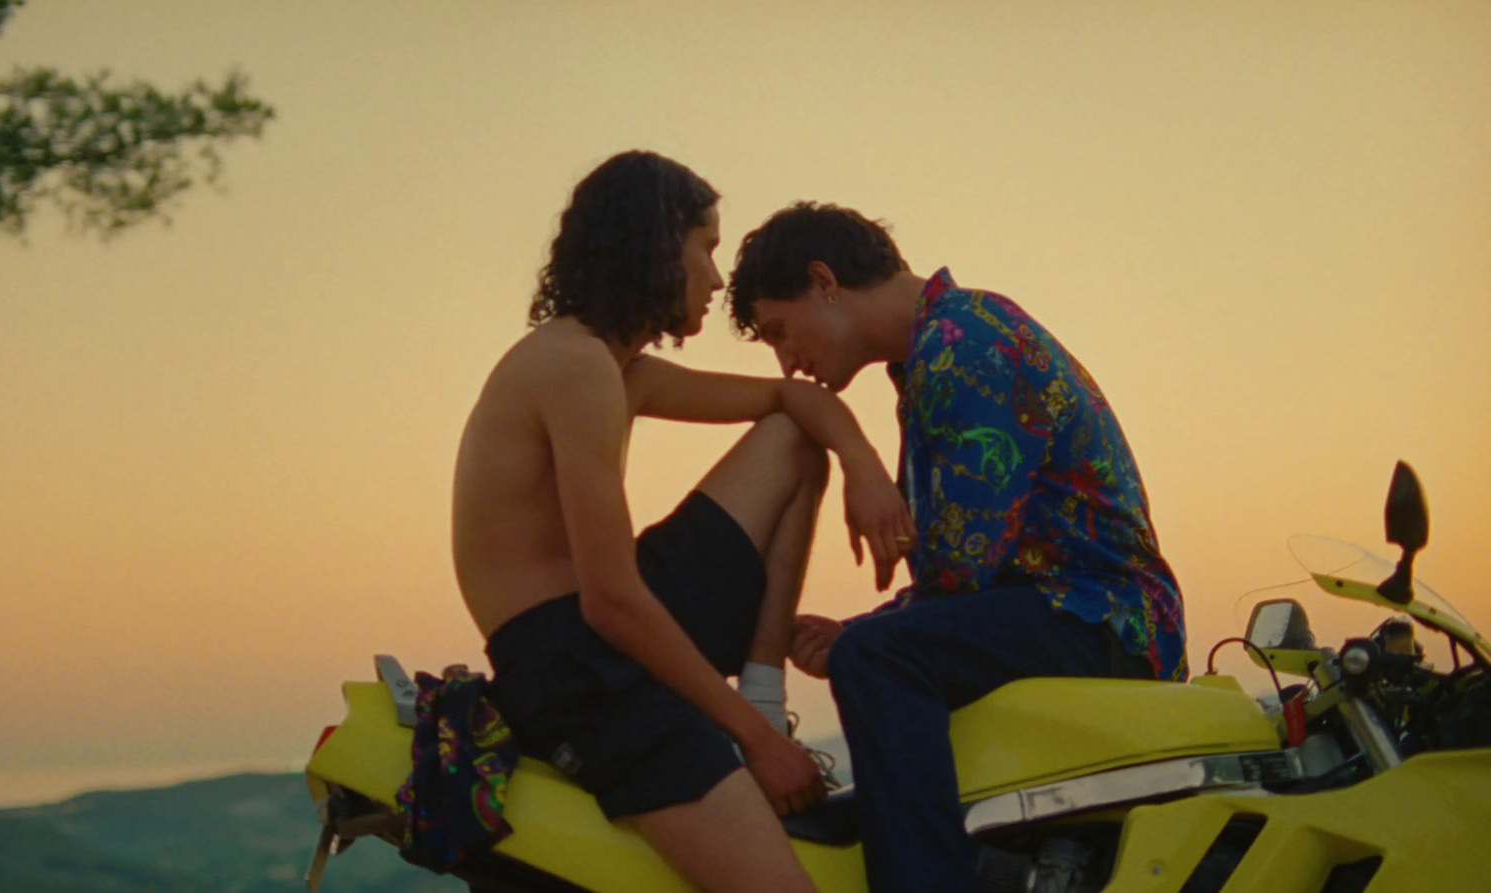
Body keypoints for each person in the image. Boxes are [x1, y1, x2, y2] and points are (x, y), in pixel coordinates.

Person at [452, 155, 910, 893]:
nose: (718, 277)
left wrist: (865, 468)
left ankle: (764, 691)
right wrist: (754, 742)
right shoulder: (574, 370)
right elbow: (610, 599)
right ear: (659, 247)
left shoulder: (610, 368)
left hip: (597, 634)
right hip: (577, 663)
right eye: (708, 246)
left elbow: (799, 405)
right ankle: (760, 718)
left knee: (791, 437)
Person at [724, 201, 1188, 892]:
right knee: (877, 650)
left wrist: (871, 635)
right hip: (1065, 605)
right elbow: (973, 566)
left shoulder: (964, 345)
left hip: (1104, 614)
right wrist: (865, 627)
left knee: (879, 659)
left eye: (780, 331)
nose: (788, 362)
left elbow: (965, 564)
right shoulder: (938, 348)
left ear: (824, 280)